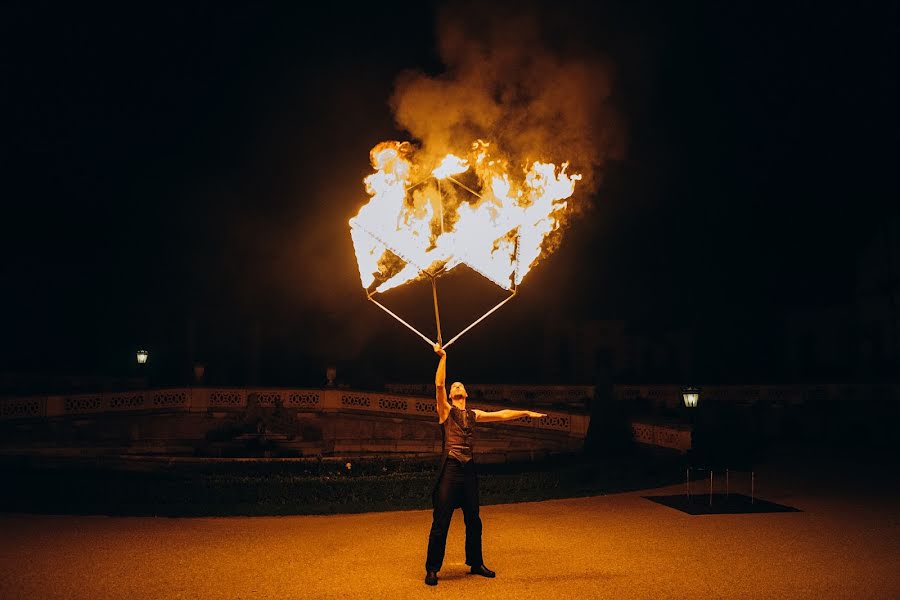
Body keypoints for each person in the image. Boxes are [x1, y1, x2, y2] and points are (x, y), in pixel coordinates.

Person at [424, 344, 546, 586]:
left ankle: (476, 563)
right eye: (453, 386)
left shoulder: (474, 414)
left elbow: (501, 414)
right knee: (441, 520)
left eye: (460, 385)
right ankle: (432, 569)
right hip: (450, 467)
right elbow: (438, 384)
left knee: (474, 519)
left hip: (468, 470)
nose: (456, 386)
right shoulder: (445, 411)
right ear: (449, 395)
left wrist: (526, 412)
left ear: (466, 393)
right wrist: (443, 357)